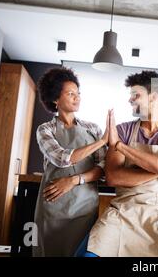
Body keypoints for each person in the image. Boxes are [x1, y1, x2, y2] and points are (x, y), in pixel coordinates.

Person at [87, 70, 158, 257]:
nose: (130, 100)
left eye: (136, 95)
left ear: (152, 97)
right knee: (93, 252)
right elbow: (113, 177)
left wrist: (119, 145)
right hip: (123, 210)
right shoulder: (123, 129)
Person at [33, 67, 108, 257]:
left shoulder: (92, 128)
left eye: (78, 93)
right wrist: (101, 142)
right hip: (54, 206)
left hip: (85, 207)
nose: (77, 98)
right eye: (70, 93)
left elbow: (102, 167)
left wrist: (74, 180)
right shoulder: (45, 129)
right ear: (55, 99)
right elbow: (61, 158)